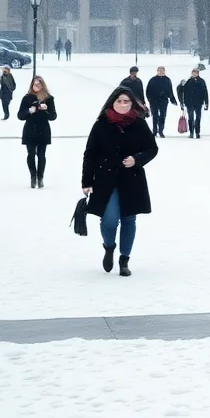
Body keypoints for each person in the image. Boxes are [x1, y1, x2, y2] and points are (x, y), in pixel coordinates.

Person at [81, 88, 158, 277]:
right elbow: (90, 154)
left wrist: (137, 159)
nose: (123, 105)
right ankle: (109, 247)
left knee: (129, 219)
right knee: (109, 219)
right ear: (112, 102)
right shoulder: (101, 125)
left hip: (132, 179)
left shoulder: (139, 124)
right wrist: (86, 181)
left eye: (127, 102)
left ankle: (124, 260)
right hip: (105, 178)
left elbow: (152, 148)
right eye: (120, 101)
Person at [17, 75, 57, 188]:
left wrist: (46, 110)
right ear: (32, 85)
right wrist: (29, 111)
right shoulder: (27, 98)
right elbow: (20, 115)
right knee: (30, 154)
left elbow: (53, 116)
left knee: (41, 155)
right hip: (30, 129)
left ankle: (40, 177)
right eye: (35, 84)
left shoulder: (49, 98)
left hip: (43, 129)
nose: (37, 87)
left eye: (39, 84)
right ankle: (33, 176)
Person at [145, 66, 178, 138]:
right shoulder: (153, 80)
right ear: (157, 71)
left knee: (163, 116)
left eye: (162, 71)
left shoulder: (167, 80)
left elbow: (170, 90)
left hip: (163, 100)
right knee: (155, 116)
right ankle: (154, 131)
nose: (161, 72)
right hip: (154, 100)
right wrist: (149, 99)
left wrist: (172, 99)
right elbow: (148, 90)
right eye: (159, 71)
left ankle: (161, 131)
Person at [180, 68, 209, 138]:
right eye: (193, 72)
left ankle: (197, 132)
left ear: (198, 73)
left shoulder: (202, 81)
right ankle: (191, 132)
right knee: (191, 117)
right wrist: (181, 85)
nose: (194, 74)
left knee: (198, 117)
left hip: (199, 102)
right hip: (189, 102)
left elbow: (205, 92)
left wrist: (206, 103)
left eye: (195, 73)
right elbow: (181, 91)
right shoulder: (188, 81)